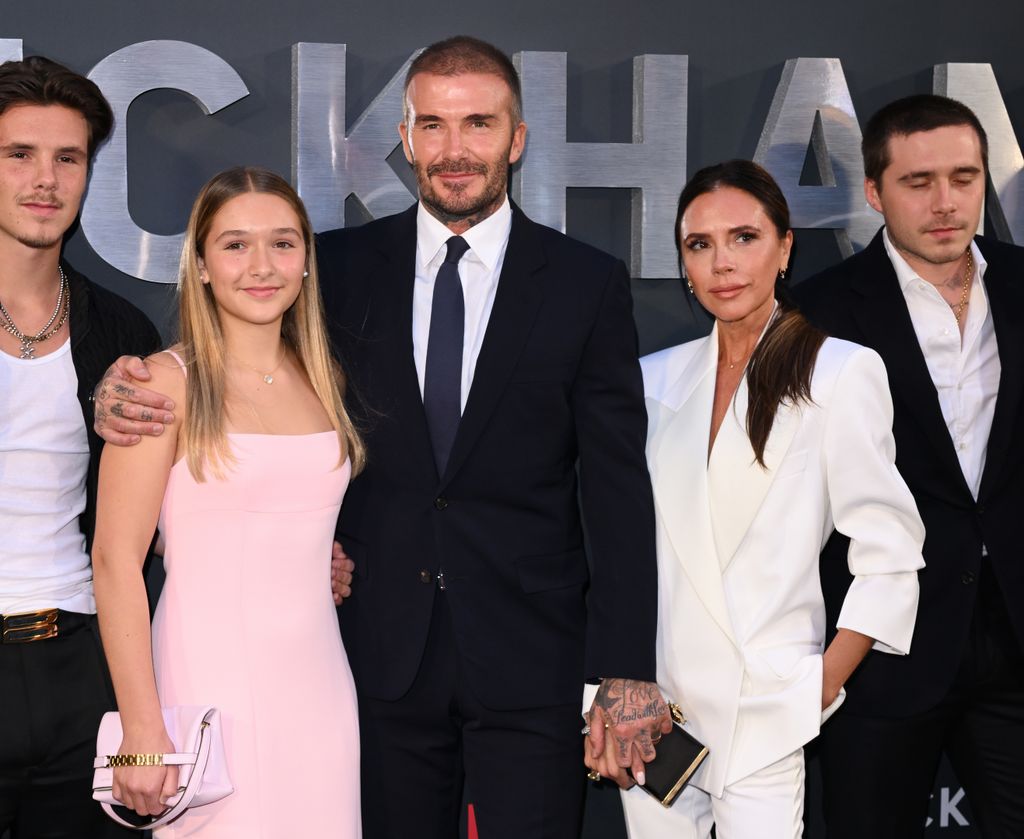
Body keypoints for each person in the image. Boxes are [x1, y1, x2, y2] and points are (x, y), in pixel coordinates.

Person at [93, 35, 670, 839]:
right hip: (375, 661)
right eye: (432, 125)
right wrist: (119, 390)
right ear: (405, 138)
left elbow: (616, 489)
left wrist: (629, 665)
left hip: (530, 657)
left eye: (478, 123)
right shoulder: (337, 272)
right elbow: (232, 388)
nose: (455, 148)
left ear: (517, 137)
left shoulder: (584, 283)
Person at [603, 160, 925, 838]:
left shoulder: (839, 370)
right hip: (658, 713)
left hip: (765, 708)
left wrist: (821, 682)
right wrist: (605, 693)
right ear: (683, 263)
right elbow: (617, 546)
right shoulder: (651, 381)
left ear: (784, 249)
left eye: (744, 237)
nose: (723, 262)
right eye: (700, 244)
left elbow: (890, 547)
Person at [90, 166, 365, 837]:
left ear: (306, 260)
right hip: (207, 687)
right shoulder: (161, 382)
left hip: (321, 688)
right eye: (235, 245)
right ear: (203, 265)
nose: (262, 266)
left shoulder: (322, 379)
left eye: (283, 243)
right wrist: (142, 730)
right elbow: (115, 561)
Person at [795, 94, 1024, 838]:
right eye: (918, 182)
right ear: (874, 192)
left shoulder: (1022, 286)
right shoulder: (817, 313)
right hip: (884, 647)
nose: (947, 202)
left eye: (964, 177)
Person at [0, 56, 160, 839]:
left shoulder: (122, 333)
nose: (45, 180)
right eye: (18, 155)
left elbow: (163, 515)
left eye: (68, 158)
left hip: (80, 664)